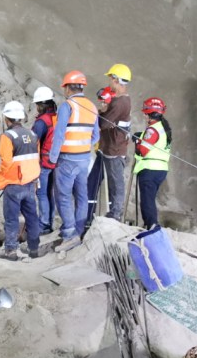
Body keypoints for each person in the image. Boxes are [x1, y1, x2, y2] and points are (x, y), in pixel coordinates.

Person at [48, 71, 99, 251]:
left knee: (62, 196)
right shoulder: (92, 106)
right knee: (82, 195)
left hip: (67, 159)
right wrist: (83, 147)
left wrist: (52, 158)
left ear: (68, 87)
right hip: (84, 159)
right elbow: (96, 136)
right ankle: (78, 231)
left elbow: (59, 134)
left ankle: (70, 234)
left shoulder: (67, 106)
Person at [0, 101, 41, 260]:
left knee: (11, 218)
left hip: (14, 184)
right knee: (32, 216)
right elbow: (35, 158)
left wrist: (0, 179)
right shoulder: (33, 135)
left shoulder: (7, 136)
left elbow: (6, 162)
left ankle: (10, 250)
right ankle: (34, 248)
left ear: (6, 118)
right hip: (30, 183)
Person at [98, 64, 133, 221]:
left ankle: (116, 213)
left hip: (114, 149)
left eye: (111, 79)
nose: (109, 82)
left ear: (117, 80)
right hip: (111, 147)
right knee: (113, 182)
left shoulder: (119, 103)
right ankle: (114, 211)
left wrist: (100, 111)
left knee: (116, 183)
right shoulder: (120, 100)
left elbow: (104, 124)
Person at [134, 97, 172, 229]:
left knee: (147, 201)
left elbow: (142, 151)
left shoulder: (152, 130)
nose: (144, 115)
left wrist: (138, 141)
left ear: (151, 114)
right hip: (160, 170)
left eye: (146, 113)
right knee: (150, 199)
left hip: (150, 169)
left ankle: (151, 226)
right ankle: (151, 225)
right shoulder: (163, 128)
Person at [30, 86, 58, 234]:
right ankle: (49, 221)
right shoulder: (57, 117)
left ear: (41, 104)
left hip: (44, 164)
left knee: (41, 193)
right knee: (49, 193)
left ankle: (44, 224)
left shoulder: (42, 122)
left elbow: (33, 142)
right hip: (55, 161)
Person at [86, 85, 115, 226]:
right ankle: (88, 219)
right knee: (91, 184)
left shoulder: (111, 118)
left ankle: (112, 219)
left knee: (110, 187)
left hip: (109, 155)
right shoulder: (100, 116)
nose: (101, 104)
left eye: (104, 101)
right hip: (101, 153)